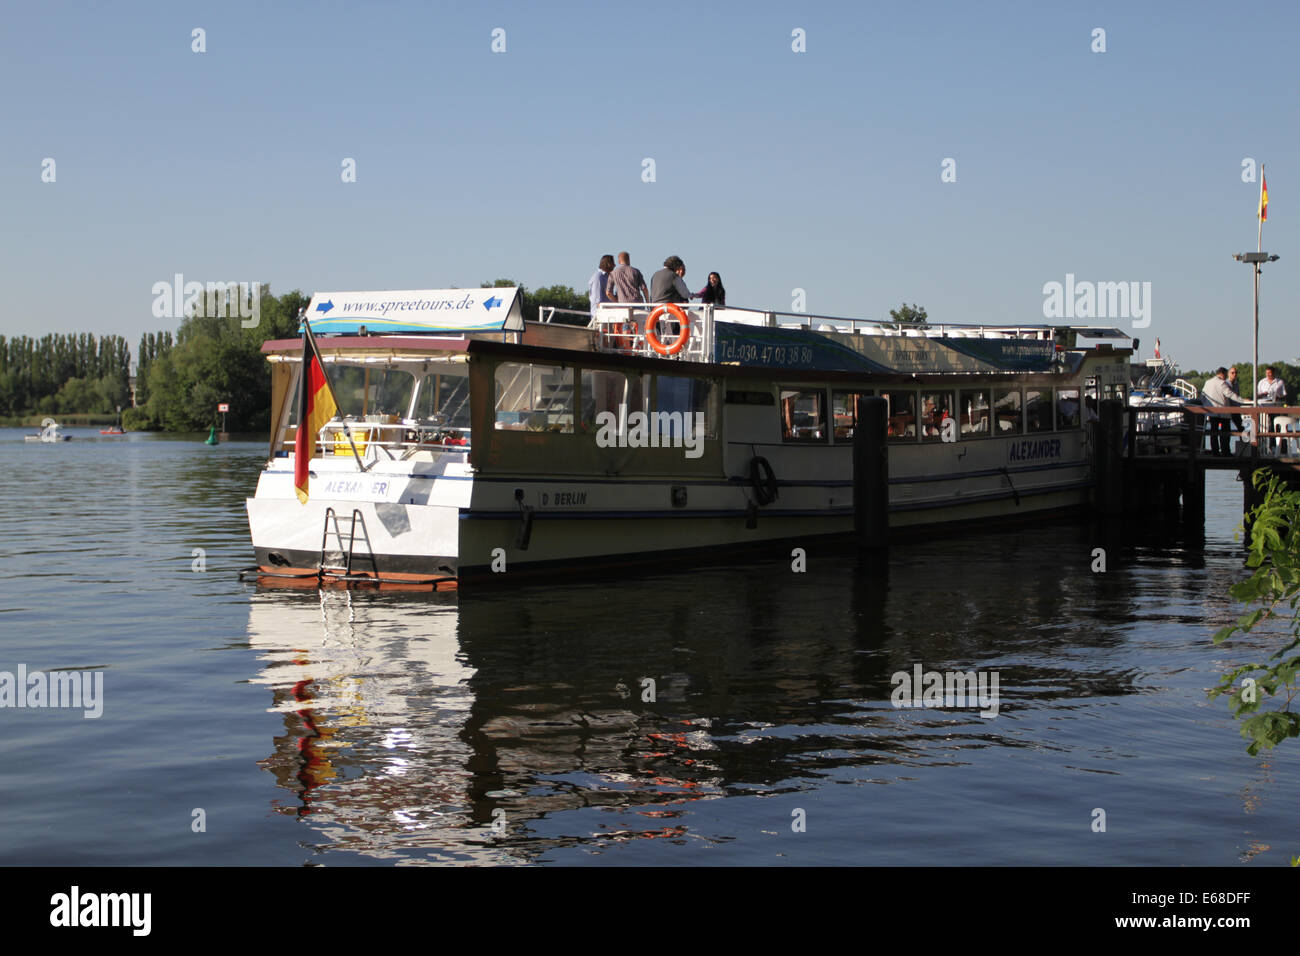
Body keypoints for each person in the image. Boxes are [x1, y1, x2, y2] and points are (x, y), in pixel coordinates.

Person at [1201, 367, 1239, 456]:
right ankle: (1225, 451)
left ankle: (1215, 452)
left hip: (1211, 411)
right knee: (1225, 432)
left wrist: (1207, 406)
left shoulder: (1208, 382)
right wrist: (1243, 400)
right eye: (1226, 375)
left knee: (1213, 432)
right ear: (1222, 374)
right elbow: (1230, 395)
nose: (1226, 377)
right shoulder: (1222, 383)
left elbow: (1203, 397)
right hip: (1223, 412)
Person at [1257, 367, 1288, 453]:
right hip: (1263, 407)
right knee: (1265, 428)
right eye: (1267, 373)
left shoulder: (1279, 382)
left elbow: (1284, 395)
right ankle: (1266, 448)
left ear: (1273, 373)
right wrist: (1262, 394)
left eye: (1270, 373)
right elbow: (1256, 395)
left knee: (1276, 427)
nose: (1268, 375)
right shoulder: (1262, 382)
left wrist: (1278, 396)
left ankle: (1278, 447)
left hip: (1275, 407)